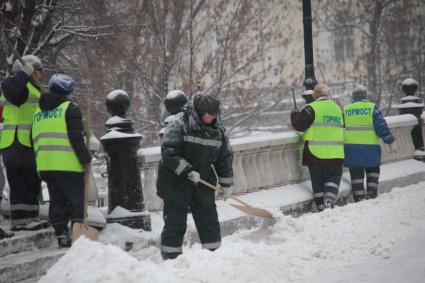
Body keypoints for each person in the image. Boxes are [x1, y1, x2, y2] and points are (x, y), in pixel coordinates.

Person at [157, 92, 233, 260]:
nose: (213, 118)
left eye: (215, 115)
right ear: (199, 112)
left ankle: (215, 257)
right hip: (175, 182)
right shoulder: (179, 124)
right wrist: (187, 171)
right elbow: (168, 153)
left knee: (209, 221)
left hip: (203, 181)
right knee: (175, 224)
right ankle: (172, 260)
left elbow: (224, 157)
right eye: (209, 115)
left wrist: (226, 183)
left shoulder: (218, 129)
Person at [31, 74, 91, 248]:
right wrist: (86, 160)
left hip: (46, 165)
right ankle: (77, 234)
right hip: (68, 164)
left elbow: (33, 138)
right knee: (76, 200)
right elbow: (76, 139)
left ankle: (61, 235)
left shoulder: (37, 111)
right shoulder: (70, 109)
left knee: (56, 199)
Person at [0, 55, 48, 231]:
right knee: (21, 181)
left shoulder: (33, 88)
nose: (41, 75)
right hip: (16, 141)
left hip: (27, 141)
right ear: (29, 70)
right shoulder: (12, 83)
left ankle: (29, 218)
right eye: (39, 71)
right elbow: (13, 93)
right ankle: (22, 221)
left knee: (31, 181)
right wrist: (23, 74)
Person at [291, 84, 344, 211]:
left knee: (317, 180)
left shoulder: (311, 108)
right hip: (335, 152)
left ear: (315, 95)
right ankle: (330, 199)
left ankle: (321, 207)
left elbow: (299, 125)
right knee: (334, 177)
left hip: (315, 153)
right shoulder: (337, 109)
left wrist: (294, 114)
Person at [343, 85, 395, 202]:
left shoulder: (346, 110)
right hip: (370, 148)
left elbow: (339, 128)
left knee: (356, 175)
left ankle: (359, 197)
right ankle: (371, 193)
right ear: (365, 96)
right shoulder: (372, 108)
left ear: (353, 96)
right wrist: (390, 140)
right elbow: (381, 126)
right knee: (373, 170)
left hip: (352, 149)